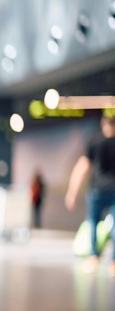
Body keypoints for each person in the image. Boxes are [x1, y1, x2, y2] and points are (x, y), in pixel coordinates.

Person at [65, 114, 115, 274]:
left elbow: (82, 166)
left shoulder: (95, 140)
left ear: (103, 123)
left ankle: (93, 256)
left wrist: (72, 192)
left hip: (97, 190)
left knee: (92, 221)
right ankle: (113, 261)